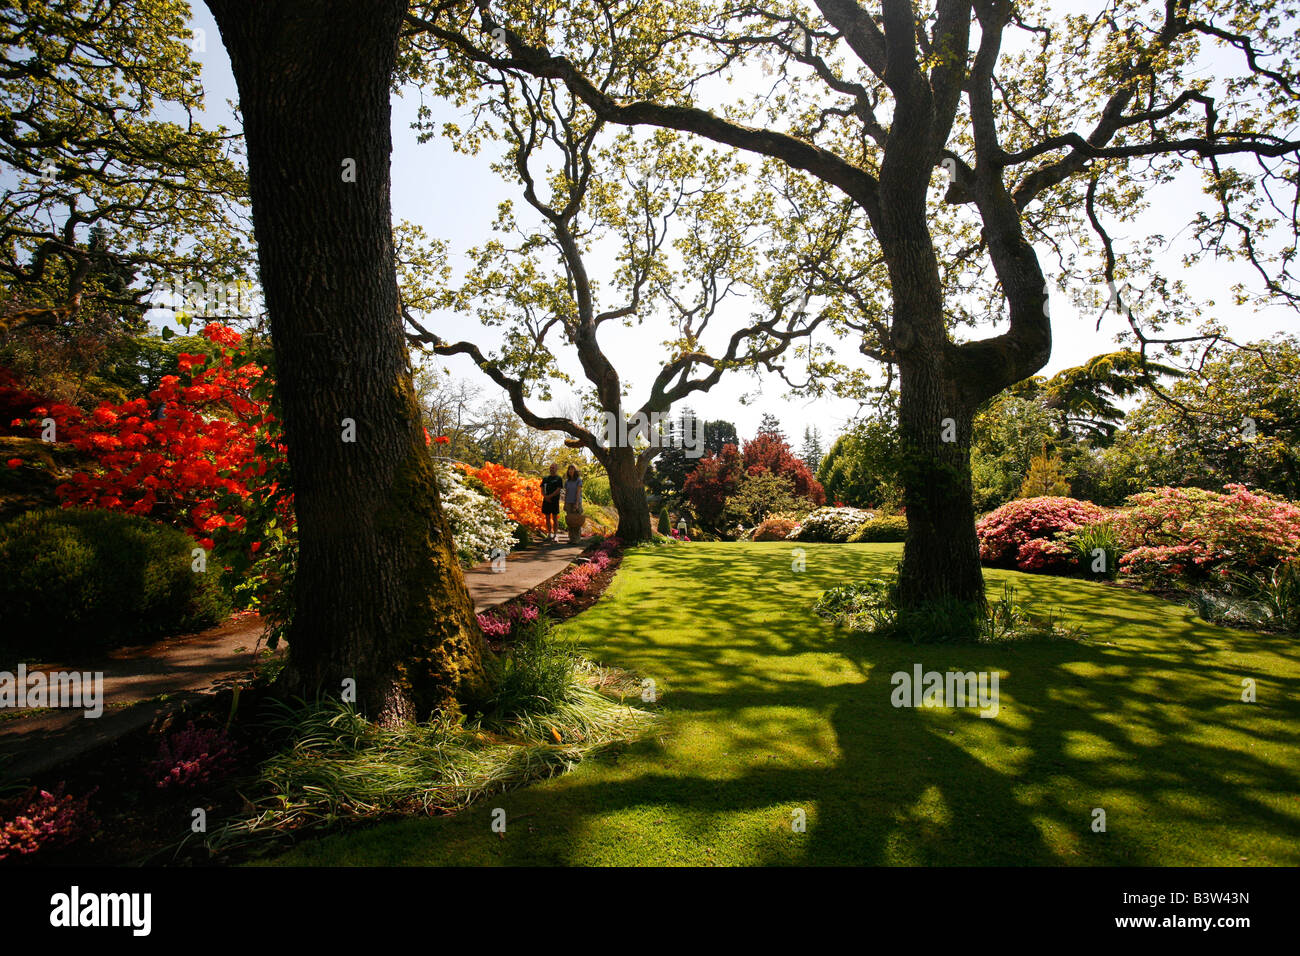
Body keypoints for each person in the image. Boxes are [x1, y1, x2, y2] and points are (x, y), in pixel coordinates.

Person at [540, 463, 563, 542]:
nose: (551, 469)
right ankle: (549, 534)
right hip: (546, 501)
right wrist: (545, 496)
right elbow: (542, 488)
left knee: (555, 518)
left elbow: (558, 490)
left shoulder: (558, 479)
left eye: (553, 468)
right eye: (550, 468)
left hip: (554, 501)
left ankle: (556, 535)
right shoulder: (545, 478)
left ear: (556, 469)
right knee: (547, 518)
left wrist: (550, 496)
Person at [563, 464, 584, 543]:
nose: (571, 471)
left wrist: (577, 504)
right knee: (570, 522)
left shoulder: (578, 480)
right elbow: (566, 493)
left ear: (575, 471)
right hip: (568, 502)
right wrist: (565, 503)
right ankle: (571, 539)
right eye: (569, 469)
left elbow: (578, 492)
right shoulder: (567, 481)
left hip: (576, 502)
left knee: (576, 522)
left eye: (572, 469)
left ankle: (577, 539)